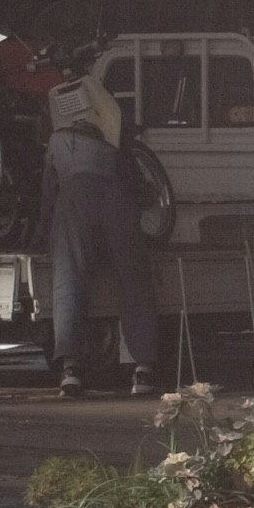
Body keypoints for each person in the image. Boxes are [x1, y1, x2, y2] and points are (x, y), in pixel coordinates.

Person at [38, 53, 158, 398]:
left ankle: (71, 370)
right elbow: (136, 187)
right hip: (115, 201)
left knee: (70, 280)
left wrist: (43, 232)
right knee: (133, 279)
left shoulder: (57, 143)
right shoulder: (113, 142)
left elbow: (48, 193)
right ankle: (143, 370)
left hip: (74, 204)